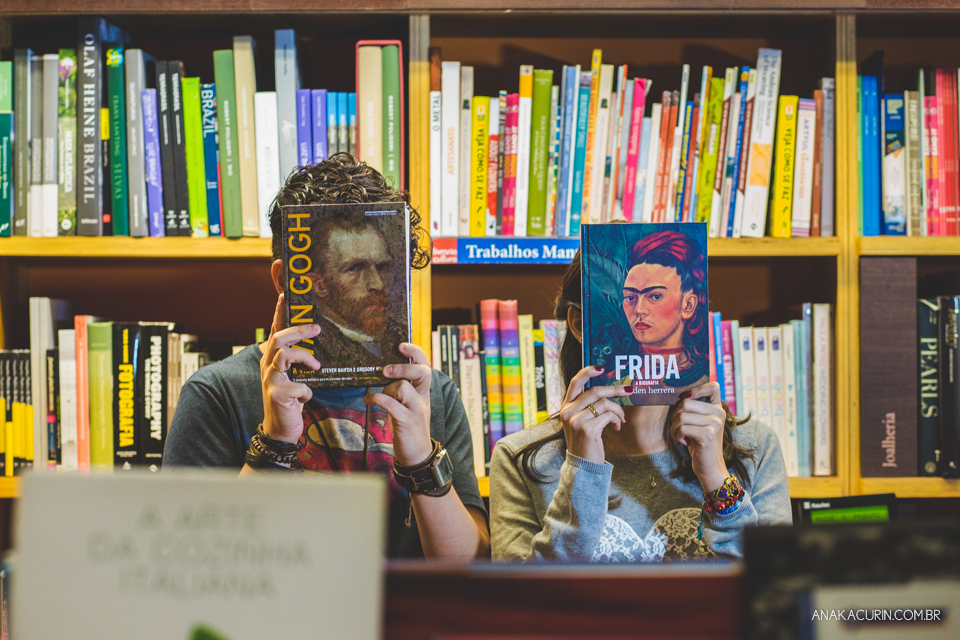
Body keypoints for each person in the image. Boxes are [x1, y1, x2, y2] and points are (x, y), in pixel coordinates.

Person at [165, 155, 490, 560]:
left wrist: (422, 459)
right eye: (354, 269)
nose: (377, 285)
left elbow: (469, 567)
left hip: (397, 621)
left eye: (385, 267)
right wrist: (274, 443)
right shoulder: (218, 393)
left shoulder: (431, 394)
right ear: (295, 280)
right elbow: (190, 559)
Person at [490, 251, 791, 562]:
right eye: (627, 298)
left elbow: (777, 594)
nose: (639, 311)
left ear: (689, 306)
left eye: (656, 295)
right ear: (581, 325)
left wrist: (716, 477)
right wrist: (582, 473)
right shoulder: (522, 459)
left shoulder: (754, 446)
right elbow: (524, 604)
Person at [302, 209, 406, 367]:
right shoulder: (305, 350)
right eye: (355, 268)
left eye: (382, 266)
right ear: (319, 285)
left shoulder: (434, 383)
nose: (378, 284)